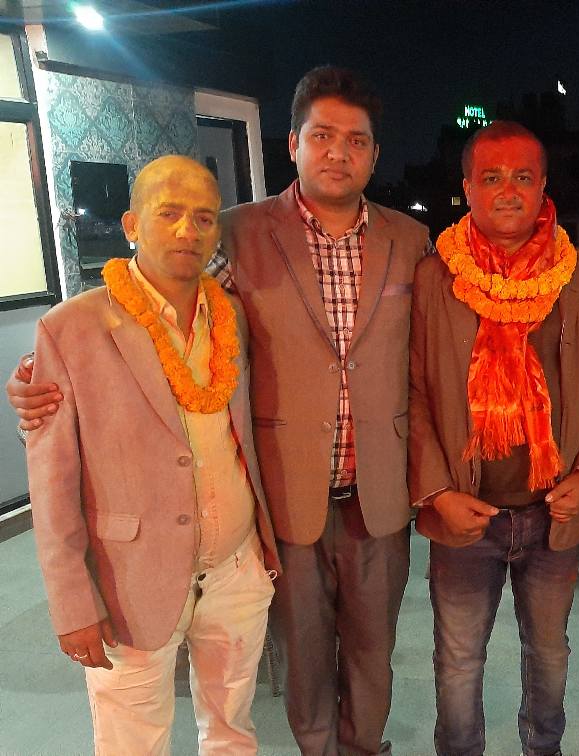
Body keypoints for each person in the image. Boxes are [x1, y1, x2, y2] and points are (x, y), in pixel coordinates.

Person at [8, 67, 430, 756]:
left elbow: (431, 359)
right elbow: (142, 312)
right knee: (300, 656)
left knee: (367, 651)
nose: (338, 152)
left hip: (369, 495)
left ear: (376, 154)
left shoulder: (410, 241)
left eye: (356, 140)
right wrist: (38, 377)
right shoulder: (237, 232)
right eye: (322, 135)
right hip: (281, 497)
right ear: (293, 143)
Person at [25, 155, 281, 755]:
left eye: (204, 218)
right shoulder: (73, 328)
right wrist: (72, 601)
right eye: (169, 214)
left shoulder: (233, 317)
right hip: (128, 578)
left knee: (232, 732)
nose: (188, 230)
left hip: (234, 568)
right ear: (132, 224)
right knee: (132, 743)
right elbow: (52, 479)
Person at [408, 121, 579, 756]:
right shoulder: (434, 279)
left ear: (544, 185)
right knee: (458, 662)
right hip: (464, 515)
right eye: (491, 177)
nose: (508, 191)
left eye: (523, 176)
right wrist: (437, 492)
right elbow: (412, 393)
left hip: (553, 514)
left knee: (549, 657)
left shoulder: (577, 277)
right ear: (467, 188)